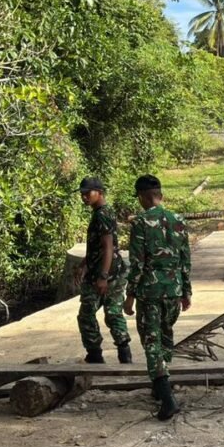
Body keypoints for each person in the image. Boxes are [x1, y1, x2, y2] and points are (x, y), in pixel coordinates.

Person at [123, 175, 192, 420]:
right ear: (160, 195)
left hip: (150, 292)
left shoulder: (140, 222)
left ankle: (167, 399)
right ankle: (159, 387)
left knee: (151, 342)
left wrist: (129, 295)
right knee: (165, 336)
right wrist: (186, 291)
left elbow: (138, 263)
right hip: (173, 291)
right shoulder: (178, 220)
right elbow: (185, 260)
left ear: (142, 197)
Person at [75, 177, 132, 364]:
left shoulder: (101, 215)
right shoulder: (105, 212)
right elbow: (102, 246)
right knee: (114, 312)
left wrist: (103, 276)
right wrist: (85, 262)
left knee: (86, 315)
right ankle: (125, 354)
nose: (84, 197)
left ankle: (95, 355)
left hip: (104, 273)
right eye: (82, 194)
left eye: (87, 193)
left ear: (99, 192)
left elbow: (108, 247)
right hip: (112, 270)